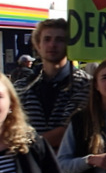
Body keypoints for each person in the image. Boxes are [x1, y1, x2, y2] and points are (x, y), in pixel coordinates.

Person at [14, 18, 92, 152]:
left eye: (60, 40)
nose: (52, 44)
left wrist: (25, 145)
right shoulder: (21, 87)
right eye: (47, 39)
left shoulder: (85, 83)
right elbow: (13, 126)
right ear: (38, 44)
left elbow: (69, 131)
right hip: (30, 167)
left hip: (71, 166)